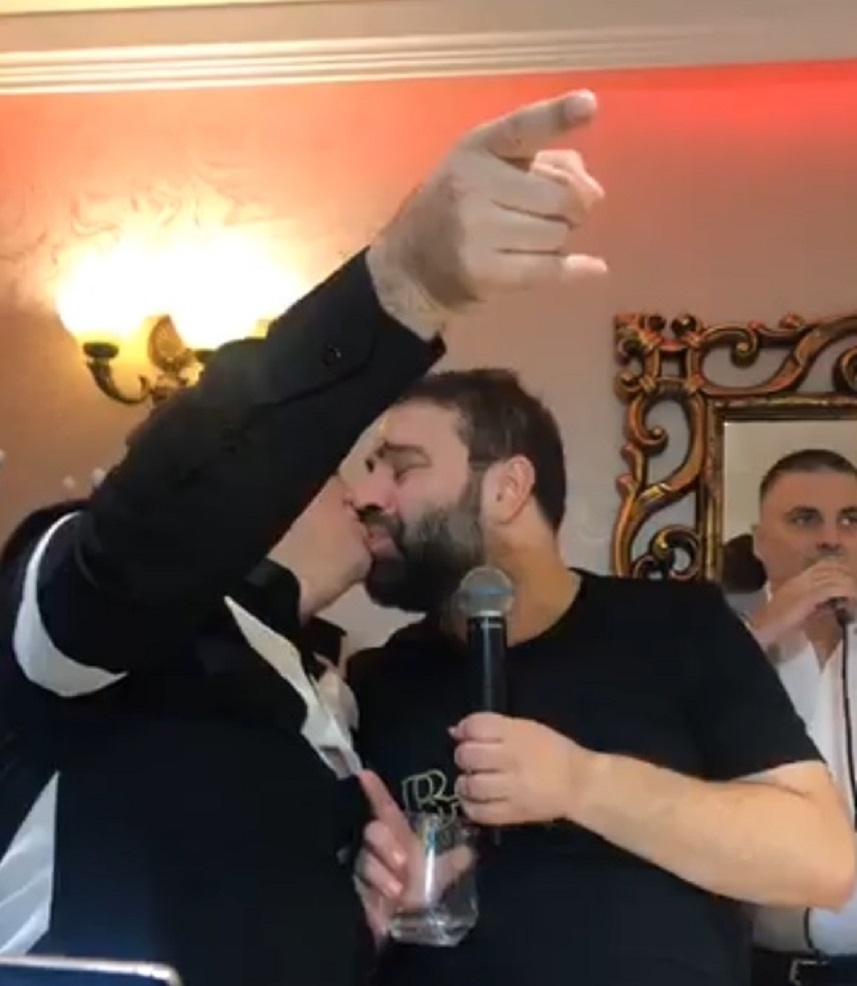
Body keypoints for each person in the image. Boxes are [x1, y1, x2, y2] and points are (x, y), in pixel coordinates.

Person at [0, 89, 607, 986]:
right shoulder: (113, 614)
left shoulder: (325, 686)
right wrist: (405, 286)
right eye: (346, 464)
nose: (371, 494)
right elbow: (149, 544)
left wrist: (361, 917)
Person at [346, 370, 857, 986]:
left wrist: (581, 782)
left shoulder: (679, 629)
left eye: (402, 467)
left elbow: (822, 862)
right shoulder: (378, 680)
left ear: (507, 488)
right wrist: (370, 907)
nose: (365, 495)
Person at [732, 449, 857, 986]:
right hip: (753, 967)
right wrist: (763, 630)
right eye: (804, 519)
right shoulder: (709, 637)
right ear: (760, 543)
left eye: (850, 520)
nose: (831, 539)